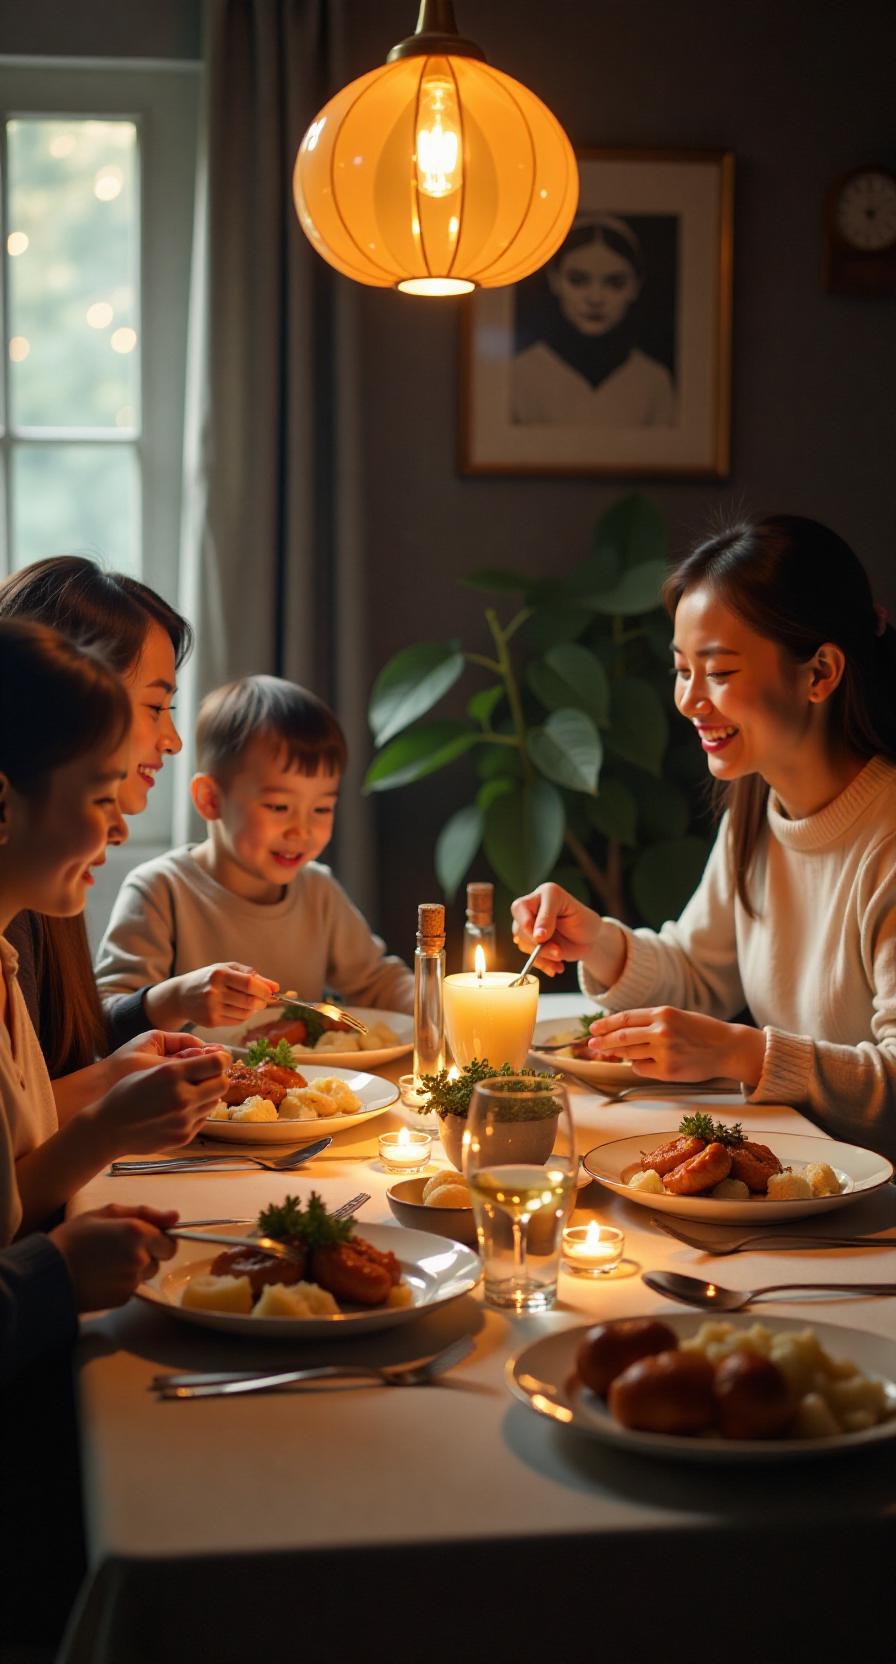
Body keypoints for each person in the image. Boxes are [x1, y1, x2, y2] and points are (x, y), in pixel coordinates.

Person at [511, 515, 896, 1159]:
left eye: (717, 672)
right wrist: (597, 941)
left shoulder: (884, 838)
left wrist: (741, 1049)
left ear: (820, 673)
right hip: (799, 1176)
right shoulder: (757, 805)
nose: (689, 701)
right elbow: (697, 972)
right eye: (681, 670)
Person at [0, 556, 275, 1101]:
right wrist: (115, 1089)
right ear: (70, 689)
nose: (173, 740)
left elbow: (54, 1052)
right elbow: (23, 1119)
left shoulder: (42, 869)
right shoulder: (25, 873)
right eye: (156, 706)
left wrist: (164, 1001)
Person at [0, 618, 228, 1237]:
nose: (121, 830)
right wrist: (64, 1272)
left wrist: (114, 1082)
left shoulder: (7, 959)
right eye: (102, 798)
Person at [96, 674, 416, 1025]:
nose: (302, 830)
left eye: (321, 808)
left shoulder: (318, 891)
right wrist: (177, 999)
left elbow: (377, 983)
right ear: (211, 799)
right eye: (279, 807)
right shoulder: (161, 890)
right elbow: (107, 1020)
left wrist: (444, 1002)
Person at [512, 212, 675, 427]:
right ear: (555, 278)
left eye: (615, 283)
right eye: (578, 280)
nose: (595, 298)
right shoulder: (520, 375)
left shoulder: (654, 381)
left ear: (636, 285)